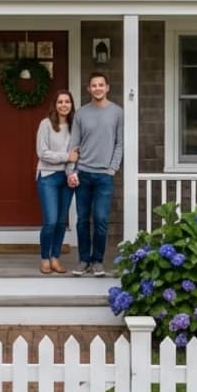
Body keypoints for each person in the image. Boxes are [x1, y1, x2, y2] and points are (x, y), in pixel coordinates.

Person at [66, 70, 123, 276]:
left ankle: (98, 261)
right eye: (94, 85)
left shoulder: (117, 112)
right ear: (88, 89)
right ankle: (83, 261)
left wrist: (112, 168)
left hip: (104, 176)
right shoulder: (81, 113)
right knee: (82, 220)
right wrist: (71, 171)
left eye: (101, 85)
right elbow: (74, 144)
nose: (97, 88)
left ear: (107, 88)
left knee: (100, 219)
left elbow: (120, 143)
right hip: (83, 173)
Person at [34, 89, 77, 274]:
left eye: (67, 101)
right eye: (60, 102)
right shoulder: (46, 124)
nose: (64, 105)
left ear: (71, 105)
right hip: (48, 176)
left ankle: (55, 257)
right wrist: (66, 156)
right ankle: (44, 257)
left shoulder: (75, 126)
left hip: (66, 177)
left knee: (61, 222)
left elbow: (76, 155)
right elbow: (43, 153)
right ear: (55, 105)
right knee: (50, 221)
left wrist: (70, 173)